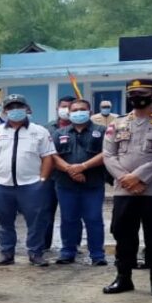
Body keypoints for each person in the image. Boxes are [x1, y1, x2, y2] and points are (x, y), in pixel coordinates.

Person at [102, 79, 152, 298]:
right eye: (132, 93)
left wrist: (138, 177)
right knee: (123, 234)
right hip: (124, 190)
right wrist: (125, 179)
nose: (137, 97)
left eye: (142, 93)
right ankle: (123, 278)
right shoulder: (116, 123)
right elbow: (109, 155)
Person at [0, 95, 55, 267]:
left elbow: (48, 157)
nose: (15, 110)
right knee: (4, 222)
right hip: (1, 184)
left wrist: (42, 179)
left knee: (36, 222)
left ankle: (35, 253)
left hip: (31, 184)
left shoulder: (40, 131)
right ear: (5, 111)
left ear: (27, 109)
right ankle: (6, 253)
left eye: (19, 106)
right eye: (11, 107)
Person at [51, 99, 108, 266]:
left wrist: (83, 167)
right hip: (65, 185)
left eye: (82, 109)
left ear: (90, 112)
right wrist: (71, 170)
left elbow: (107, 153)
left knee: (94, 218)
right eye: (74, 110)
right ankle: (68, 252)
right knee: (68, 219)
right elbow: (52, 156)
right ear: (69, 113)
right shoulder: (59, 133)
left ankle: (97, 254)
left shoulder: (102, 131)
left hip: (93, 184)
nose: (78, 112)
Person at [41, 96, 76, 253]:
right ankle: (43, 244)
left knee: (71, 213)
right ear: (57, 108)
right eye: (64, 106)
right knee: (46, 211)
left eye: (70, 107)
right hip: (49, 175)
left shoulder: (80, 128)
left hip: (71, 176)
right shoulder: (46, 128)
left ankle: (71, 245)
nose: (66, 110)